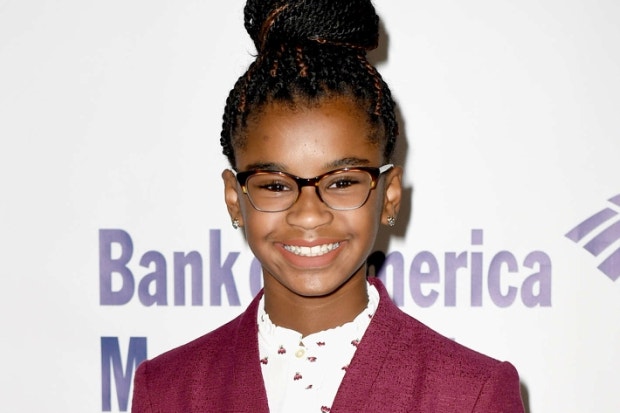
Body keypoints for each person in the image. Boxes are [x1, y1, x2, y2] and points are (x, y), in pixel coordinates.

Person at [131, 0, 525, 411]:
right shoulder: (166, 391)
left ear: (390, 194)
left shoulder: (471, 394)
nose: (308, 215)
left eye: (341, 182)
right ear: (234, 199)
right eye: (275, 185)